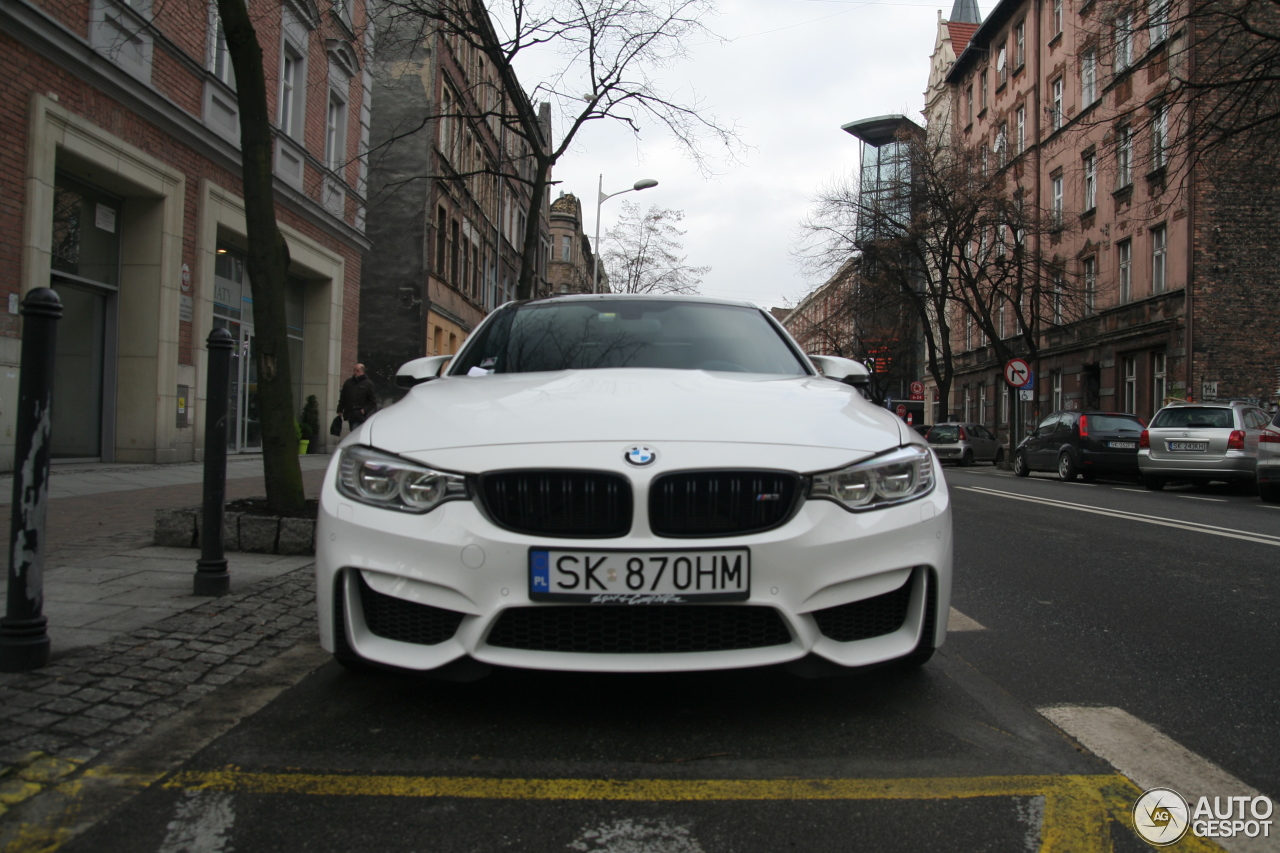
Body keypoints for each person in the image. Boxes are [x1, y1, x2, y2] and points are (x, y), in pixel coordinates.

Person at [337, 363, 379, 430]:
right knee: (352, 431)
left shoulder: (368, 384)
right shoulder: (348, 382)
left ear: (363, 371)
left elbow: (372, 401)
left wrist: (364, 410)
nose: (355, 372)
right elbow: (343, 397)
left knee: (355, 431)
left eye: (357, 371)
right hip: (350, 414)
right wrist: (340, 410)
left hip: (360, 415)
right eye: (354, 370)